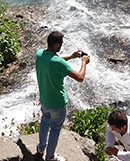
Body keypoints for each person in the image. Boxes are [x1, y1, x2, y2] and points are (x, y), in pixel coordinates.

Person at [36, 31, 90, 161]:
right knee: (55, 129)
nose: (62, 45)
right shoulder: (59, 64)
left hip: (44, 99)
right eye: (61, 43)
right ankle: (50, 157)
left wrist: (71, 56)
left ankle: (41, 148)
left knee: (44, 122)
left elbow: (55, 60)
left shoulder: (39, 54)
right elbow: (80, 78)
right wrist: (84, 62)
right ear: (56, 44)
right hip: (57, 104)